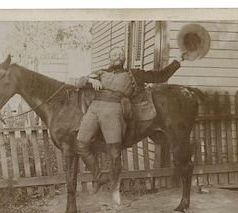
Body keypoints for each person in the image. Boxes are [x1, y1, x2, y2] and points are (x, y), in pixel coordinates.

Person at [75, 46, 186, 195]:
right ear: (109, 57)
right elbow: (77, 82)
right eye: (114, 54)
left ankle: (114, 190)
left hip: (114, 110)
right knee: (80, 144)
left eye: (121, 54)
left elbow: (160, 76)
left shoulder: (133, 74)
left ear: (124, 58)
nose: (118, 56)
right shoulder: (100, 73)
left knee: (114, 153)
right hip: (94, 109)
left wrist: (178, 60)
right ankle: (99, 177)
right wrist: (88, 79)